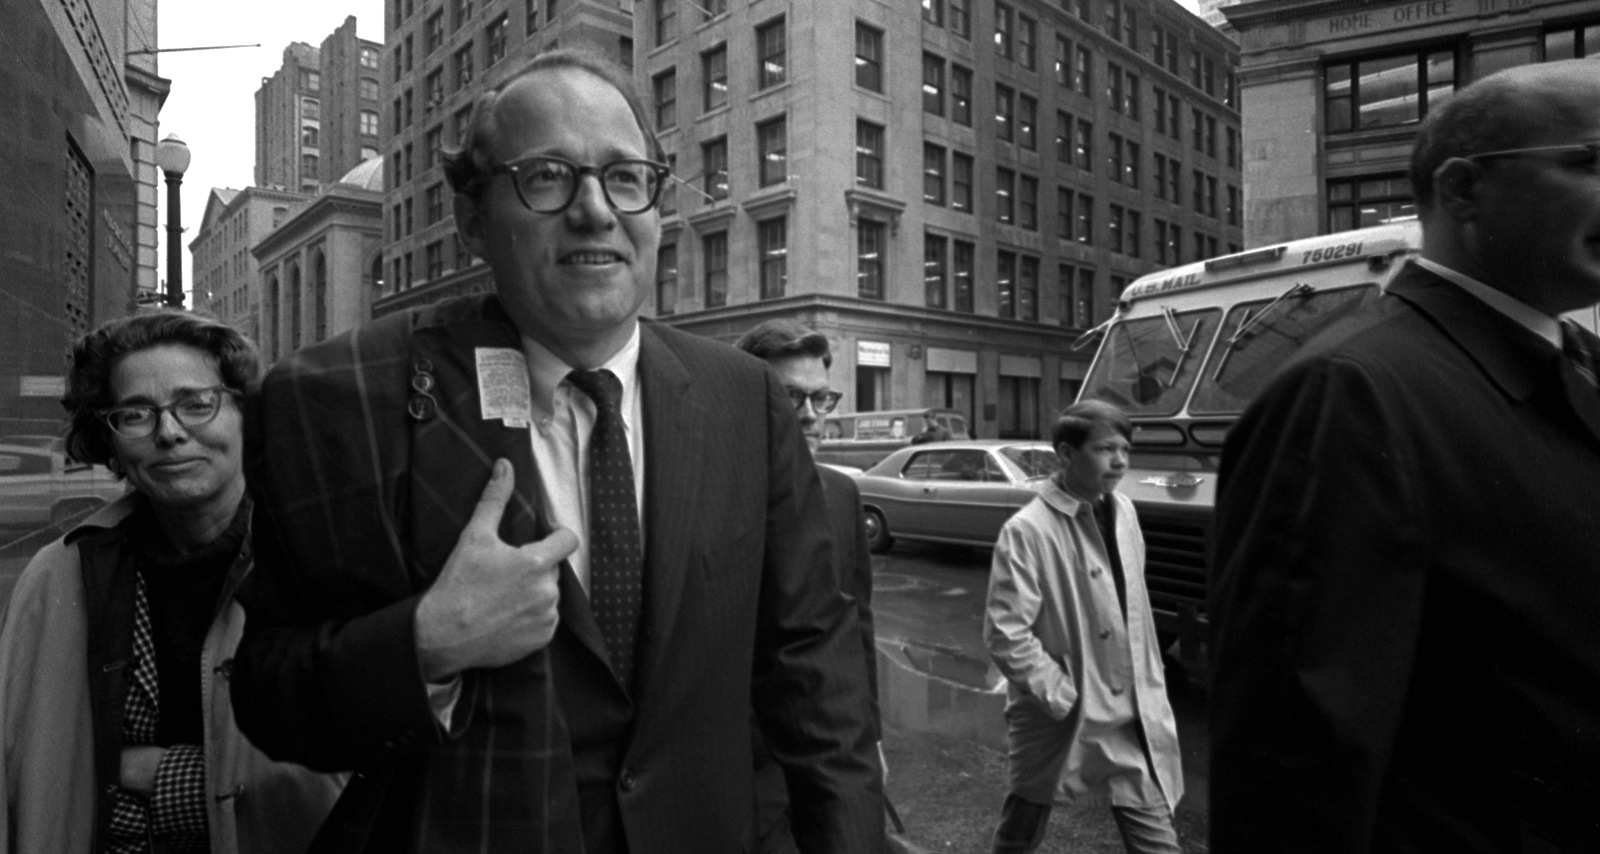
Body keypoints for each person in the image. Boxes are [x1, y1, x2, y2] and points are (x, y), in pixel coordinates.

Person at [229, 49, 882, 853]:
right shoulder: (335, 402)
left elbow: (815, 673)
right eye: (547, 176)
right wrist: (426, 642)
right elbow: (269, 695)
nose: (595, 210)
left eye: (626, 176)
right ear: (472, 220)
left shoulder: (744, 399)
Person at [1210, 59, 1600, 852]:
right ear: (1462, 193)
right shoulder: (1348, 393)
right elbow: (1292, 770)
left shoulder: (1578, 363)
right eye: (1588, 162)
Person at [0, 310, 342, 853]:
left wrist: (158, 774)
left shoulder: (327, 559)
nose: (170, 432)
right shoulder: (55, 575)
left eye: (197, 404)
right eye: (135, 414)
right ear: (109, 441)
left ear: (244, 415)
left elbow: (355, 771)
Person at [983, 399, 1184, 854]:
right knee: (1022, 828)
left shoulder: (1126, 511)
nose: (1119, 461)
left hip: (1130, 711)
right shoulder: (1027, 530)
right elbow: (1005, 632)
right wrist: (1063, 694)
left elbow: (1131, 606)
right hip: (1066, 715)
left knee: (1157, 837)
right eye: (1105, 449)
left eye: (1126, 450)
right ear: (1066, 453)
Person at [734, 319, 881, 853]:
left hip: (824, 751)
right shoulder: (705, 488)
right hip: (731, 759)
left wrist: (871, 736)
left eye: (822, 399)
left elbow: (856, 626)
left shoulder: (841, 495)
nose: (811, 416)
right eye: (790, 397)